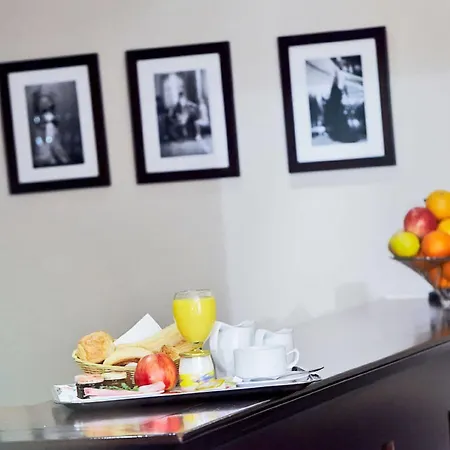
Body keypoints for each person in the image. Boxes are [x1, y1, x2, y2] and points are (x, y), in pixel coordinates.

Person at [31, 90, 70, 167]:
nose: (44, 105)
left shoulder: (52, 114)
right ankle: (47, 157)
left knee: (56, 145)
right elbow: (37, 122)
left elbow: (56, 122)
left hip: (52, 132)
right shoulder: (38, 116)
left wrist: (54, 122)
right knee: (43, 146)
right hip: (43, 134)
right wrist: (42, 124)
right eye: (42, 103)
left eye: (46, 102)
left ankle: (62, 159)